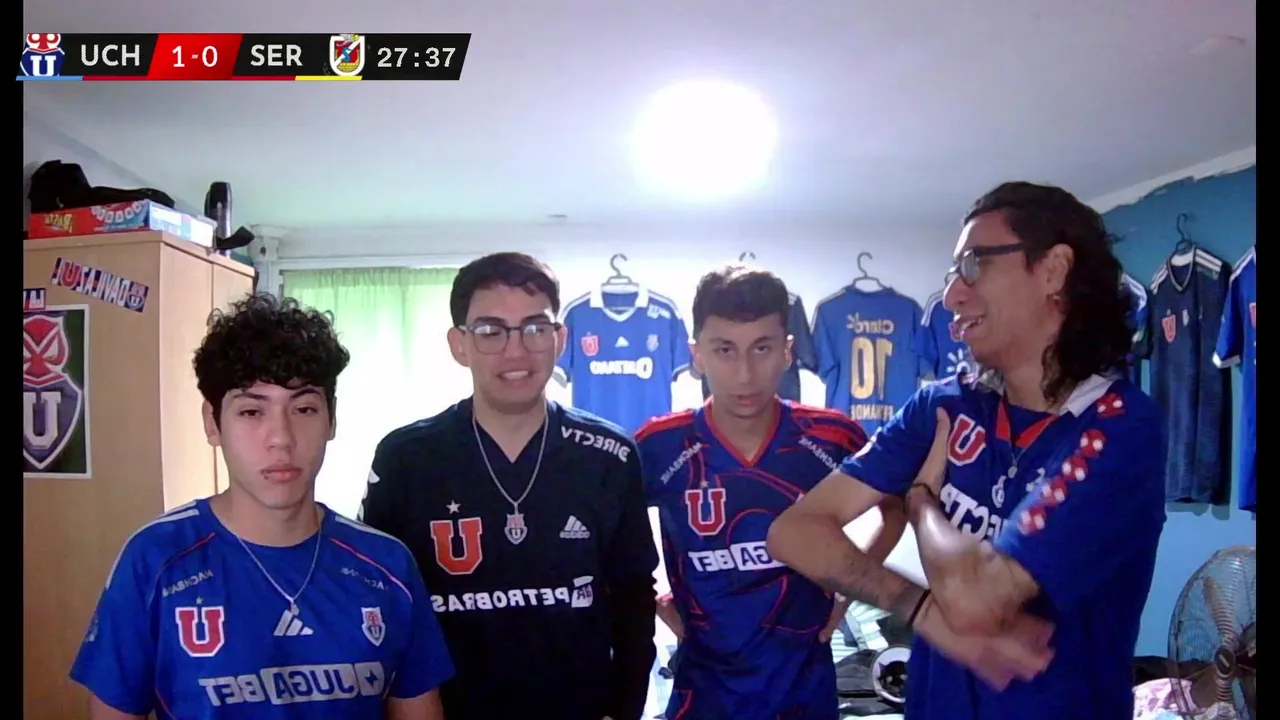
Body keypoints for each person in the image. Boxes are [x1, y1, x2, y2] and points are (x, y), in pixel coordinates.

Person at [767, 182, 1167, 719]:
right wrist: (919, 608)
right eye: (954, 272)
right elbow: (794, 532)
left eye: (974, 265)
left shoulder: (1118, 426)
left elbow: (979, 603)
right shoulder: (945, 405)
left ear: (1053, 270)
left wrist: (923, 506)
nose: (953, 294)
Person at [69, 294, 454, 720]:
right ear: (212, 423)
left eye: (304, 408)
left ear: (332, 419)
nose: (281, 438)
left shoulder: (388, 566)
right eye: (252, 411)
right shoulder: (154, 560)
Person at [359, 252, 659, 720]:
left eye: (535, 328)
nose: (515, 352)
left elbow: (634, 598)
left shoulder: (609, 455)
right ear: (460, 344)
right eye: (491, 331)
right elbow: (379, 600)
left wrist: (622, 711)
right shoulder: (407, 458)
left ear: (560, 339)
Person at [636, 267, 907, 720]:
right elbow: (604, 537)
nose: (744, 373)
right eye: (725, 350)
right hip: (703, 693)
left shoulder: (832, 437)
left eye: (762, 348)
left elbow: (895, 508)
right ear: (697, 354)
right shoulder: (659, 443)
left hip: (804, 691)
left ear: (787, 352)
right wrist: (655, 601)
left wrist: (848, 589)